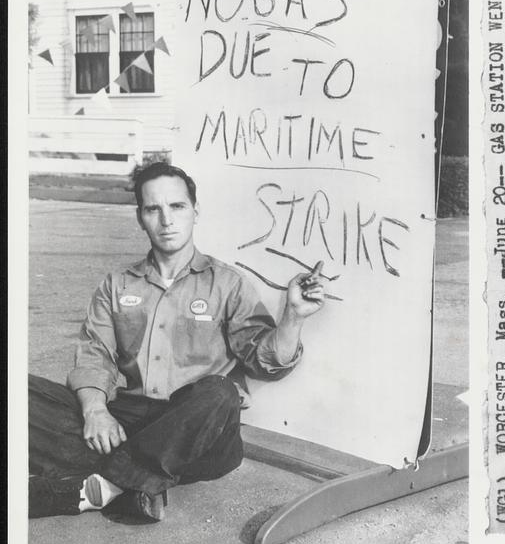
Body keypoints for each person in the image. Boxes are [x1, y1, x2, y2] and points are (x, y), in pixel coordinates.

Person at [28, 161, 325, 522]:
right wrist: (96, 411)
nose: (166, 220)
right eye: (154, 208)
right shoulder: (117, 285)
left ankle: (105, 486)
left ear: (195, 211)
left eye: (177, 206)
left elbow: (265, 362)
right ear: (140, 217)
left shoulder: (227, 283)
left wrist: (293, 316)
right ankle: (138, 478)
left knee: (220, 393)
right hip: (130, 419)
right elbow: (95, 356)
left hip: (196, 425)